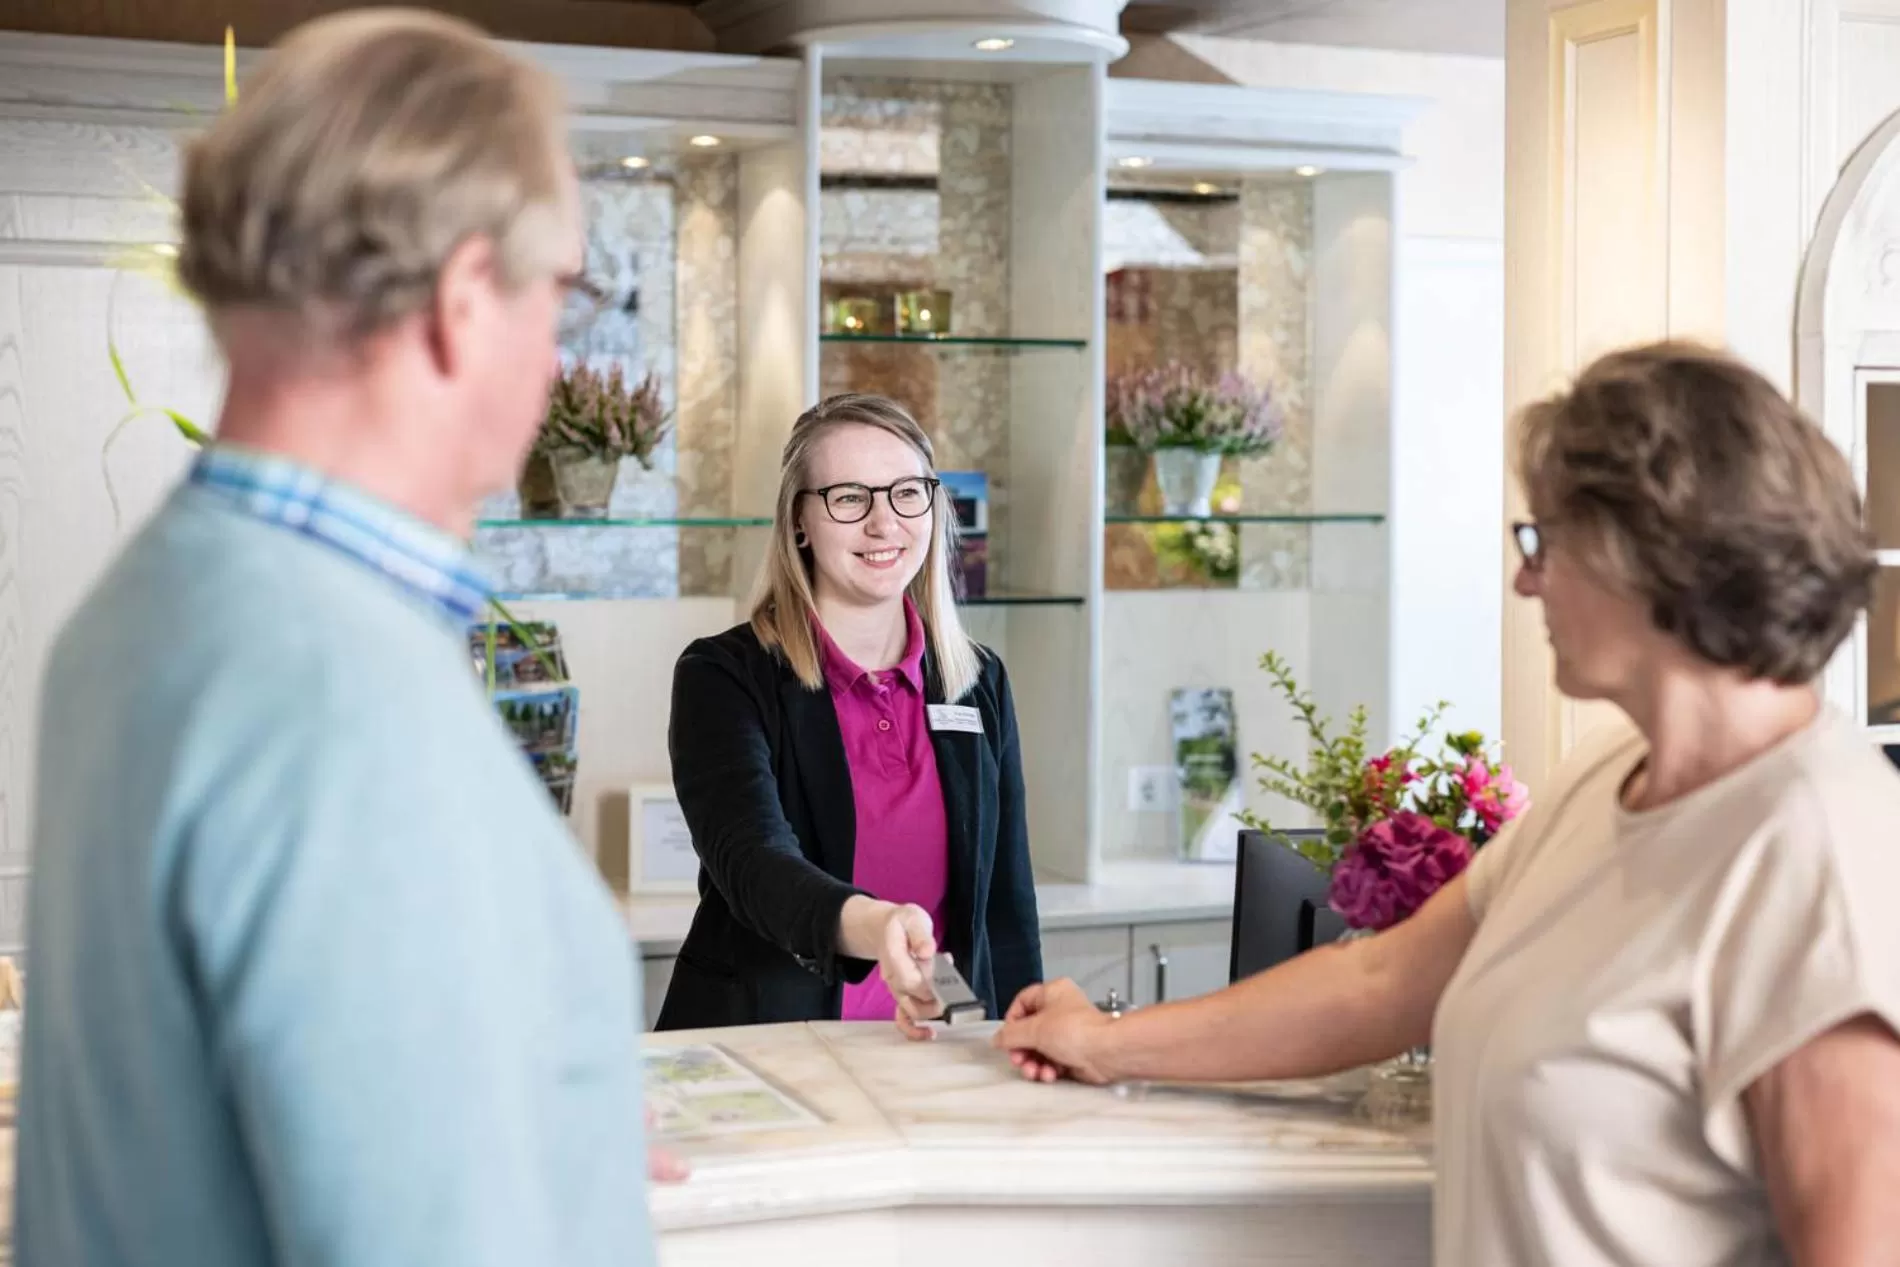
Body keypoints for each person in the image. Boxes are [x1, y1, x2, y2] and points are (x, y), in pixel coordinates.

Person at [995, 343, 1900, 1267]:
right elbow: (1379, 983)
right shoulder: (1612, 776)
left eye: (1544, 542)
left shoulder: (1821, 850)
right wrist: (1107, 1043)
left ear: (1650, 550)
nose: (1525, 580)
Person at [16, 12, 667, 1266]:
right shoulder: (341, 695)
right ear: (463, 301)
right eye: (561, 291)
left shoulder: (140, 610)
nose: (556, 350)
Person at [660, 393, 1041, 1037]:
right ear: (800, 522)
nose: (884, 523)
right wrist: (878, 924)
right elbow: (754, 865)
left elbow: (1004, 904)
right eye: (849, 497)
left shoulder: (975, 682)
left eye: (906, 493)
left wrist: (1029, 1040)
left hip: (934, 1051)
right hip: (770, 1048)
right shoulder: (724, 677)